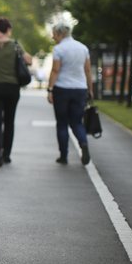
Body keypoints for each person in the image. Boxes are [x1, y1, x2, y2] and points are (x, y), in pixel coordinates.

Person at [0, 18, 32, 167]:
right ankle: (7, 155)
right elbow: (29, 61)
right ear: (8, 29)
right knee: (9, 121)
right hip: (12, 88)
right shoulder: (15, 45)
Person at [46, 23, 93, 165]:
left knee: (62, 123)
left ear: (60, 34)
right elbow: (88, 71)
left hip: (62, 89)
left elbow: (55, 70)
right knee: (77, 122)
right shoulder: (83, 48)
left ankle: (63, 156)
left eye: (54, 34)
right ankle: (83, 143)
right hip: (80, 89)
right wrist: (90, 89)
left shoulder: (59, 49)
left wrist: (50, 89)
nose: (53, 37)